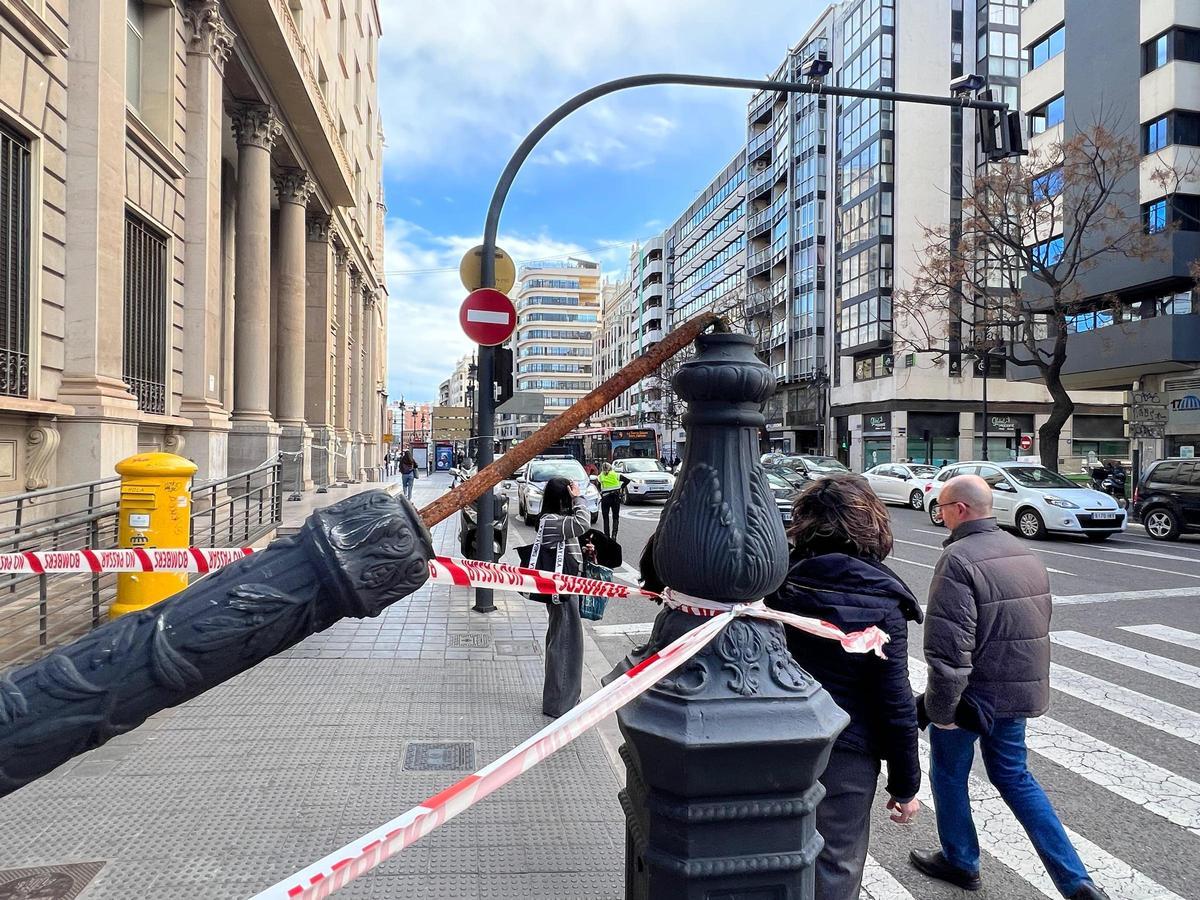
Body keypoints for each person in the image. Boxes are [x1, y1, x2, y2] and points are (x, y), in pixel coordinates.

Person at [910, 475, 1108, 900]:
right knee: (1015, 777)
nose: (939, 516)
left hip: (970, 696)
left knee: (948, 772)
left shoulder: (958, 559)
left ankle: (961, 862)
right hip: (1015, 691)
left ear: (960, 510)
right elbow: (1037, 623)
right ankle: (1077, 883)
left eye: (942, 508)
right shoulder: (1024, 551)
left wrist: (939, 711)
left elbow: (948, 647)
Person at [766, 476, 922, 900]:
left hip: (773, 739)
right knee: (836, 863)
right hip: (847, 752)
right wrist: (905, 785)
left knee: (770, 856)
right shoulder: (883, 601)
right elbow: (894, 703)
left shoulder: (777, 583)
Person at [533, 476, 592, 718]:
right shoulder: (550, 521)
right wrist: (578, 497)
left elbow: (573, 537)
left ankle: (564, 698)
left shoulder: (554, 521)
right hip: (563, 591)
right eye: (568, 498)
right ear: (563, 498)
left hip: (566, 587)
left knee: (563, 639)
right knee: (566, 643)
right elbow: (582, 523)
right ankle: (560, 704)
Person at [598, 462, 622, 539]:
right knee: (615, 517)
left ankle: (607, 536)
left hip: (605, 498)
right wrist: (620, 488)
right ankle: (614, 535)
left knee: (605, 518)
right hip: (615, 497)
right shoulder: (616, 475)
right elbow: (627, 480)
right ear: (611, 468)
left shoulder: (600, 476)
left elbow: (598, 486)